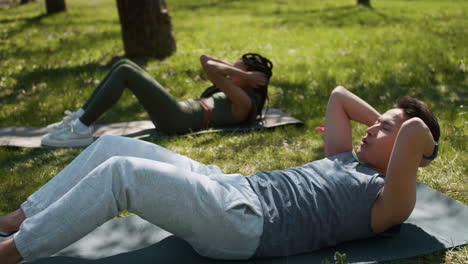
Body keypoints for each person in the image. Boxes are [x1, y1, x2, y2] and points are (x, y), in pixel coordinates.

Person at [0, 86, 439, 263]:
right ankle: (15, 220)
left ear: (410, 153)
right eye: (375, 121)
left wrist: (419, 142)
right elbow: (339, 96)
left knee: (121, 173)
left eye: (385, 128)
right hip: (229, 186)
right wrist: (386, 123)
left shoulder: (389, 201)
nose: (371, 128)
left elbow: (417, 132)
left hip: (246, 223)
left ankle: (12, 252)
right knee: (111, 146)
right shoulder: (347, 158)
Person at [41, 53, 273, 147]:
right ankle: (78, 120)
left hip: (180, 120)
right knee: (124, 65)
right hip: (180, 112)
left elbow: (212, 68)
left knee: (126, 73)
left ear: (250, 80)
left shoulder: (244, 102)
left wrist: (245, 75)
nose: (231, 69)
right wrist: (241, 72)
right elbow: (205, 58)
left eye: (237, 69)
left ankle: (79, 131)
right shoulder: (238, 88)